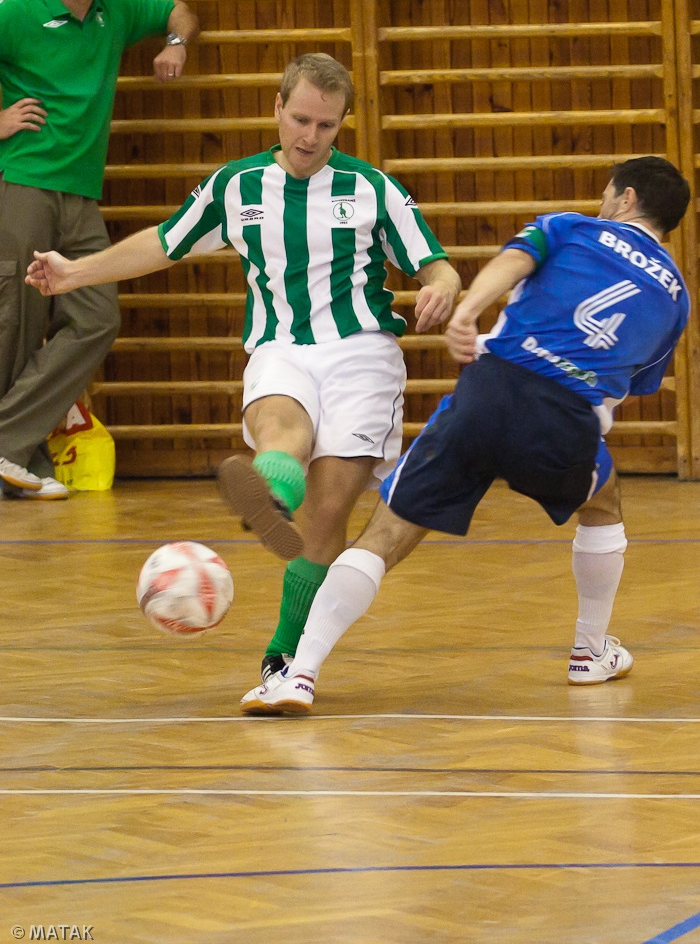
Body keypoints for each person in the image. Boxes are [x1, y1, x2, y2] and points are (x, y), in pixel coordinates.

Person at [25, 52, 462, 675]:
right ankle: (272, 493)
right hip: (279, 346)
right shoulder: (237, 185)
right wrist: (74, 274)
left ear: (342, 124)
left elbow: (435, 264)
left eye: (326, 126)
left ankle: (285, 653)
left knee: (327, 514)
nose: (310, 137)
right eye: (300, 120)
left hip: (362, 355)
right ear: (277, 108)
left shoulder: (372, 189)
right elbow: (166, 242)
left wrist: (442, 286)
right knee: (283, 430)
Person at [236, 155, 692, 715]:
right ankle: (589, 650)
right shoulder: (677, 299)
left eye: (606, 194)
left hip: (489, 391)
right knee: (603, 503)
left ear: (626, 198)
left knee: (385, 535)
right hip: (567, 421)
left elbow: (515, 260)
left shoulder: (571, 227)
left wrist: (469, 311)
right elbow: (637, 380)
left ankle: (298, 675)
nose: (601, 203)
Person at [0, 0, 199, 500]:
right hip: (25, 184)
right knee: (16, 324)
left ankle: (8, 444)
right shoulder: (17, 13)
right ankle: (15, 455)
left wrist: (176, 44)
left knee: (97, 318)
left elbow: (179, 11)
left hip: (82, 197)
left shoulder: (116, 11)